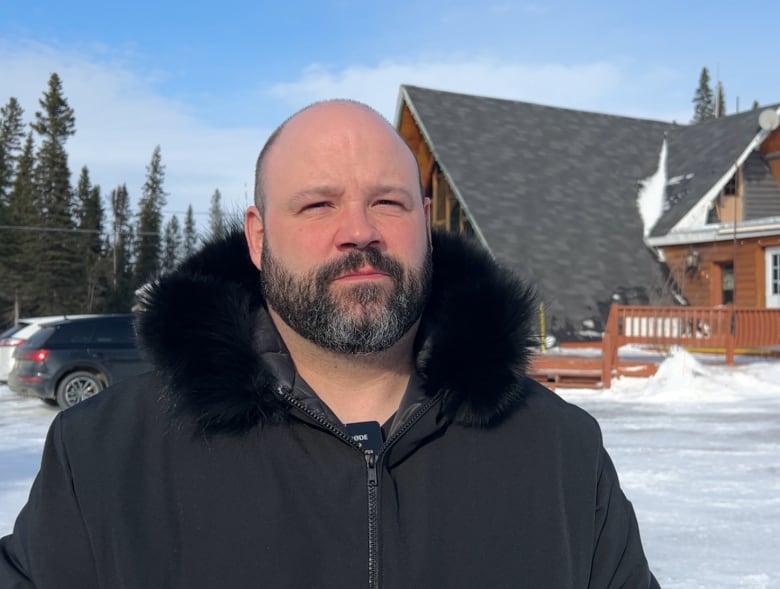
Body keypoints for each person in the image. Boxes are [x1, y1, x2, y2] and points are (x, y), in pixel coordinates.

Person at [0, 100, 659, 588]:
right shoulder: (106, 458)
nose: (359, 231)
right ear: (258, 239)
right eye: (317, 205)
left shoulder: (560, 455)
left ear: (425, 227)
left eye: (389, 203)